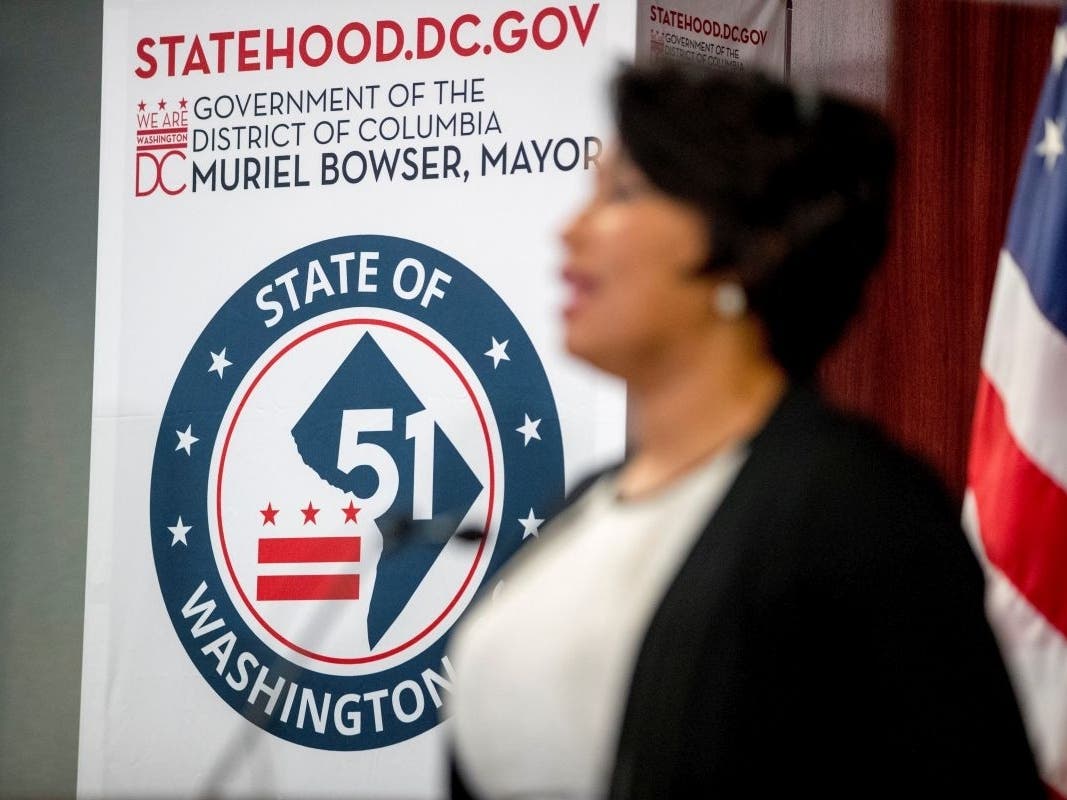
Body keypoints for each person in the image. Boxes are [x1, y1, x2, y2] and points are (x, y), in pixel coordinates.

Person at [445, 64, 1042, 799]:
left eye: (622, 193)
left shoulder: (856, 508)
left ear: (750, 246)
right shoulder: (583, 508)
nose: (569, 229)